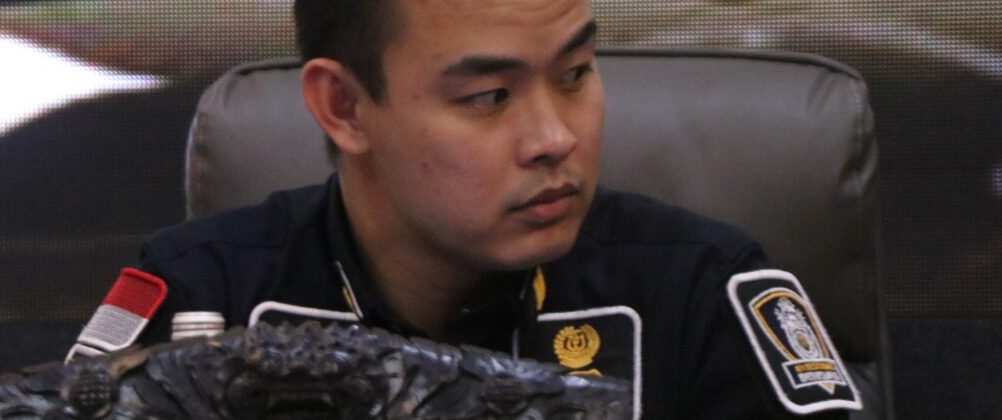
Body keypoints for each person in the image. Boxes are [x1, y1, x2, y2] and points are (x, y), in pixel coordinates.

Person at [106, 0, 861, 418]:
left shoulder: (700, 292)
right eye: (489, 97)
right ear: (344, 107)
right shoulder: (201, 292)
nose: (555, 138)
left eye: (575, 74)